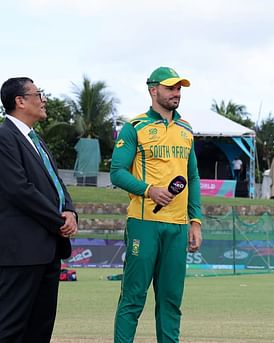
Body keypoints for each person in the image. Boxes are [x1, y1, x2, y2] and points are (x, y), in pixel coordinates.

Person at [0, 77, 78, 342]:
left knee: (40, 326)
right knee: (8, 325)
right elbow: (18, 190)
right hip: (19, 248)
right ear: (20, 101)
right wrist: (58, 220)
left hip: (47, 247)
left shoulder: (36, 140)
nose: (43, 100)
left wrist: (70, 210)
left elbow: (55, 182)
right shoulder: (3, 138)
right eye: (38, 94)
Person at [111, 66, 203, 342]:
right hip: (144, 224)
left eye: (179, 88)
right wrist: (150, 190)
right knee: (133, 298)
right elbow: (117, 172)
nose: (177, 93)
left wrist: (195, 221)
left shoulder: (186, 129)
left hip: (177, 227)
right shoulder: (135, 127)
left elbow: (193, 177)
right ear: (153, 90)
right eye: (171, 88)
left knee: (171, 301)